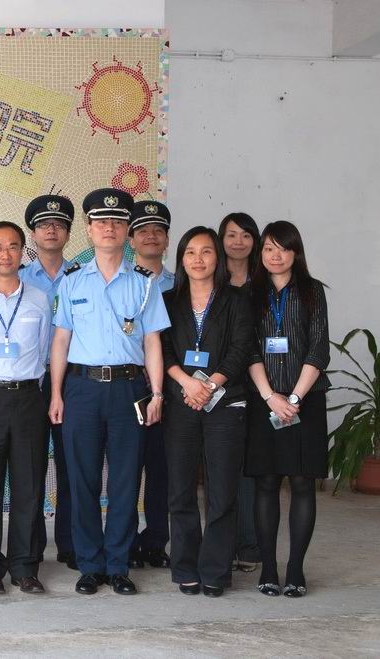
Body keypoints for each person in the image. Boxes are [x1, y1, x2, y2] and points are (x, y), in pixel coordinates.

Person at [49, 188, 169, 596]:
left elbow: (152, 342)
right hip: (81, 389)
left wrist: (157, 394)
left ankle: (118, 565)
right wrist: (56, 394)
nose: (109, 228)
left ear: (127, 230)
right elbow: (61, 340)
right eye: (101, 222)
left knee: (124, 481)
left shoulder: (144, 284)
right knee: (81, 480)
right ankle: (90, 564)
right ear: (88, 229)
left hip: (129, 390)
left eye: (118, 222)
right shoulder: (71, 282)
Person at [161, 227, 254, 597]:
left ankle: (215, 569)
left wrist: (210, 384)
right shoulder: (168, 301)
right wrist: (188, 384)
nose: (198, 259)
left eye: (206, 252)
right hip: (182, 402)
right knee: (180, 489)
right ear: (181, 259)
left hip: (225, 404)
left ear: (218, 257)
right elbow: (162, 349)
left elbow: (241, 348)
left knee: (222, 490)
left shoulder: (237, 300)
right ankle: (185, 566)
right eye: (190, 252)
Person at [246, 221, 329, 598]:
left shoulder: (313, 291)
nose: (275, 255)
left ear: (296, 252)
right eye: (268, 248)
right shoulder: (250, 293)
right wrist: (270, 397)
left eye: (282, 248)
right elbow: (248, 349)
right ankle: (268, 568)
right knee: (266, 481)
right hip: (264, 399)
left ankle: (295, 569)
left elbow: (318, 348)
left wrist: (293, 399)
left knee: (302, 482)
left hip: (305, 401)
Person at [0, 221, 52, 596]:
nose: (5, 254)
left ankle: (24, 566)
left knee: (28, 484)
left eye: (13, 246)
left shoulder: (39, 298)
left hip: (29, 398)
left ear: (23, 252)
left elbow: (45, 350)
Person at [20, 194, 77, 570]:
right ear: (33, 233)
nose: (51, 230)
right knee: (30, 465)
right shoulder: (19, 278)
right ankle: (32, 545)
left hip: (74, 380)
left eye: (58, 224)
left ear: (69, 233)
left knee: (72, 464)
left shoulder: (82, 277)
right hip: (32, 381)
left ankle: (71, 543)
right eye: (43, 225)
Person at [127, 200, 176, 569]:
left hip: (170, 389)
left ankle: (157, 540)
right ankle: (126, 542)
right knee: (127, 469)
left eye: (158, 230)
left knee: (162, 469)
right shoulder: (122, 282)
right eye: (143, 230)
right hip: (128, 386)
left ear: (167, 239)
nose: (151, 236)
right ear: (131, 240)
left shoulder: (183, 284)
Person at [218, 212, 262, 572]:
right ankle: (222, 544)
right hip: (220, 387)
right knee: (221, 469)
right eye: (231, 235)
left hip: (259, 385)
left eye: (245, 235)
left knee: (251, 468)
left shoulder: (263, 285)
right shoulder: (211, 282)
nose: (238, 242)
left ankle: (248, 544)